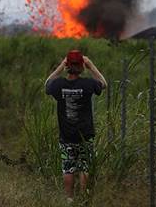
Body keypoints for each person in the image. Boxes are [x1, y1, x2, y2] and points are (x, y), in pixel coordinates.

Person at [45, 50, 107, 203]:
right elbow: (104, 84)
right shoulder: (88, 84)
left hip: (66, 136)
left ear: (67, 66)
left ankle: (69, 199)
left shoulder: (58, 85)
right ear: (82, 66)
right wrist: (91, 66)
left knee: (68, 167)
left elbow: (47, 85)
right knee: (85, 166)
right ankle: (84, 198)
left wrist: (60, 66)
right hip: (85, 135)